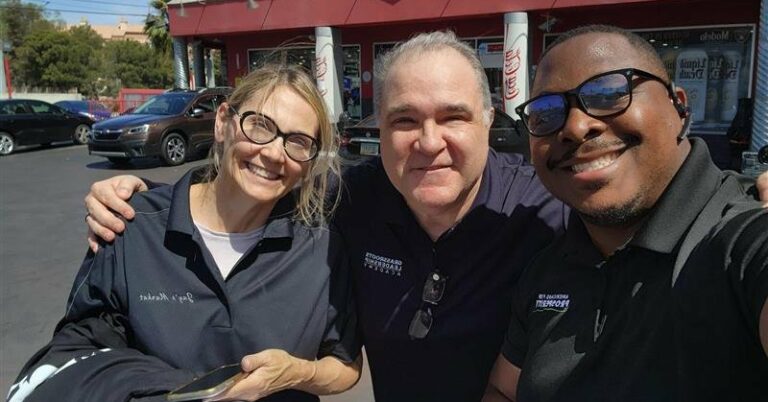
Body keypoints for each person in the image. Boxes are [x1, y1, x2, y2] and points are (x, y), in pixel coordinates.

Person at [79, 31, 768, 401]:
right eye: (404, 120)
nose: (429, 141)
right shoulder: (347, 198)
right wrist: (146, 194)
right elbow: (258, 172)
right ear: (375, 129)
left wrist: (752, 188)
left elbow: (683, 214)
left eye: (452, 117)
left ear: (491, 120)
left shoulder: (550, 205)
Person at [8, 64, 361, 402]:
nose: (272, 152)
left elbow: (345, 364)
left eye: (297, 141)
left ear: (309, 163)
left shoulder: (320, 250)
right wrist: (183, 393)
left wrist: (296, 373)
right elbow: (76, 351)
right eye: (260, 125)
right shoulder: (131, 227)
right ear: (223, 122)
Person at [483, 25, 768, 402]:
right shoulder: (549, 268)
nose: (576, 126)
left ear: (679, 107)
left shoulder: (739, 240)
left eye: (608, 94)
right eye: (547, 113)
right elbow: (504, 390)